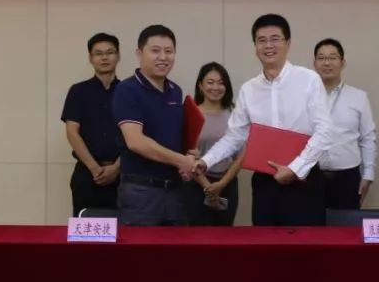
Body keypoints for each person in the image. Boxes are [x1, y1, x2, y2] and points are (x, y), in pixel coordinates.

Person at [195, 13, 334, 226]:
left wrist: (295, 168)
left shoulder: (308, 80)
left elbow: (325, 132)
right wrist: (206, 161)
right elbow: (234, 137)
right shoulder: (249, 89)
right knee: (265, 243)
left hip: (303, 178)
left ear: (288, 43)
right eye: (262, 40)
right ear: (255, 47)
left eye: (275, 39)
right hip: (264, 183)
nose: (268, 45)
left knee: (306, 244)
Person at [111, 24, 198, 226]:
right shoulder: (127, 90)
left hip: (175, 191)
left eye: (169, 51)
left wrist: (189, 155)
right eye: (155, 51)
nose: (163, 57)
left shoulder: (175, 91)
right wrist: (181, 160)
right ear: (139, 54)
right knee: (141, 247)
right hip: (141, 193)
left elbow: (174, 138)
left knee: (177, 246)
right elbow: (135, 142)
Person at [61, 32, 122, 216]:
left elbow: (137, 134)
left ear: (118, 56)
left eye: (110, 52)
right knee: (85, 227)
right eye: (98, 53)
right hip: (87, 174)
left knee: (122, 230)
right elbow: (72, 132)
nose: (104, 57)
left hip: (122, 175)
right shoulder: (78, 91)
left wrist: (117, 167)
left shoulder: (128, 91)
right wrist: (95, 168)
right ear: (90, 58)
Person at [313, 38, 377, 209]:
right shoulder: (305, 97)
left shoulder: (359, 97)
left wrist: (368, 174)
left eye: (333, 57)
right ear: (314, 64)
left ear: (342, 63)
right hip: (311, 176)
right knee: (311, 225)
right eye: (321, 58)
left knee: (346, 225)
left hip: (347, 177)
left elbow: (367, 138)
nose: (327, 63)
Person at [182, 62, 244, 226]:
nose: (215, 87)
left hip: (227, 184)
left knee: (224, 236)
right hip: (196, 185)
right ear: (200, 86)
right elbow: (187, 154)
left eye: (221, 83)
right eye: (210, 82)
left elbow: (241, 156)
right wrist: (208, 187)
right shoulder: (191, 113)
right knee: (197, 236)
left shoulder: (235, 115)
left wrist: (221, 185)